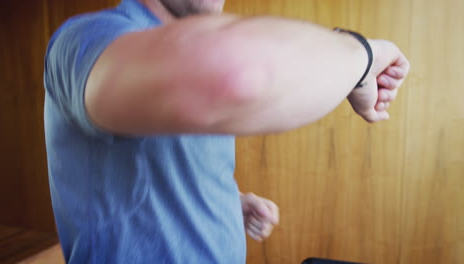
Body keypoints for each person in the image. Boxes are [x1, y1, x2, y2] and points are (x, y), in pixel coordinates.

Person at [43, 0, 410, 263]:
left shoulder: (193, 53)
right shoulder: (85, 38)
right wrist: (364, 55)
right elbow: (234, 77)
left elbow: (161, 164)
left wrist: (230, 202)